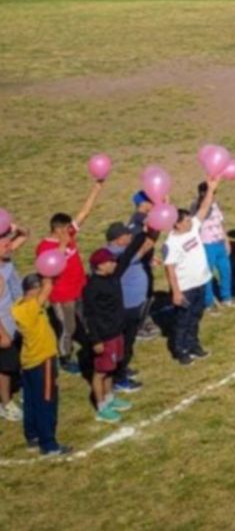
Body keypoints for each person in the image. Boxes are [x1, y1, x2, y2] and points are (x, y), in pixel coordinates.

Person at [81, 226, 154, 423]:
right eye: (110, 261)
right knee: (101, 372)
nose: (114, 263)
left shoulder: (113, 275)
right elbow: (89, 316)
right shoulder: (92, 288)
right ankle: (101, 406)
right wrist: (96, 340)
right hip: (104, 335)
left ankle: (110, 397)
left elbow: (129, 254)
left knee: (111, 368)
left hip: (116, 332)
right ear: (99, 266)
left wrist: (146, 232)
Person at [34, 179, 104, 373]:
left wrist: (97, 188)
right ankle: (65, 356)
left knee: (86, 319)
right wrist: (63, 246)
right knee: (68, 327)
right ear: (57, 229)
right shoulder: (44, 247)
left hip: (79, 288)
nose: (69, 231)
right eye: (65, 229)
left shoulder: (68, 233)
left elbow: (84, 213)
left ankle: (90, 343)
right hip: (62, 296)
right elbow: (48, 270)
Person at [162, 178, 221, 365]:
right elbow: (169, 269)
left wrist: (211, 189)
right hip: (185, 287)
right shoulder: (171, 243)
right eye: (186, 221)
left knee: (196, 316)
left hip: (201, 282)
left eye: (189, 219)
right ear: (177, 224)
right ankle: (180, 350)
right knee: (182, 320)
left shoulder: (193, 228)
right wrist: (176, 291)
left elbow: (203, 209)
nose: (190, 222)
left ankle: (193, 344)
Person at [13, 275, 67, 455]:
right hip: (42, 359)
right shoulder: (30, 308)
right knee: (46, 401)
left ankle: (32, 435)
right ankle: (49, 443)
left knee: (30, 401)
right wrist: (48, 277)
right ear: (35, 290)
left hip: (28, 360)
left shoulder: (19, 306)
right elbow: (46, 291)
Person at [0, 224, 30, 422]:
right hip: (4, 329)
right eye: (3, 242)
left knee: (11, 365)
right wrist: (2, 334)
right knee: (4, 368)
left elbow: (25, 234)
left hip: (13, 323)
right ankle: (5, 404)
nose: (8, 244)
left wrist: (12, 227)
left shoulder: (5, 259)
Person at [192, 182, 234, 310]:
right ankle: (208, 302)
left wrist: (226, 240)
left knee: (226, 270)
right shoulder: (196, 207)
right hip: (207, 245)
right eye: (211, 193)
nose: (214, 196)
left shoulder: (216, 205)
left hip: (219, 242)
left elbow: (220, 223)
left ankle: (226, 297)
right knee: (208, 274)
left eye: (214, 193)